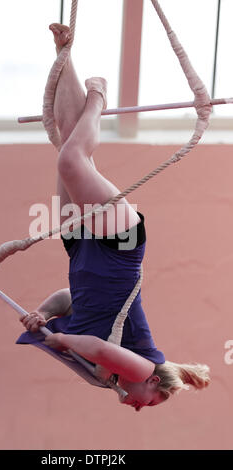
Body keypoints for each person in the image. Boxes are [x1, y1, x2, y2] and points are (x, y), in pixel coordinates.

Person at [19, 24, 210, 411]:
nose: (139, 406)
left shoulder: (103, 375)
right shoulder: (140, 368)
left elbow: (70, 299)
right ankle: (98, 99)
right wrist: (63, 341)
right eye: (150, 402)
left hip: (83, 253)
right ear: (153, 382)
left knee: (69, 138)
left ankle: (65, 53)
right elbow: (93, 344)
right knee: (73, 160)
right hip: (118, 246)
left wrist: (44, 312)